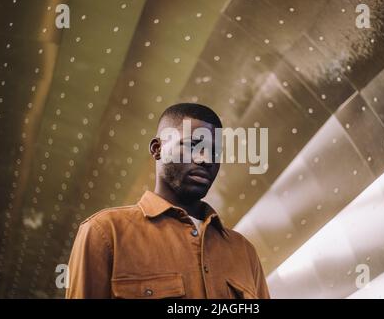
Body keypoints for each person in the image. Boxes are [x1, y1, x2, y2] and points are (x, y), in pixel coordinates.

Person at [66, 103, 270, 299]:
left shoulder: (244, 252)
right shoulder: (105, 233)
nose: (205, 159)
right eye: (193, 145)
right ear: (157, 148)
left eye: (214, 152)